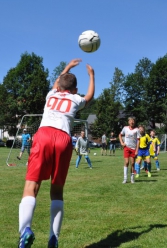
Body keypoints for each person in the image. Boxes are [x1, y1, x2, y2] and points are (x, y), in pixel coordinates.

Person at [17, 59, 95, 248]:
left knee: (31, 186)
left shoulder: (51, 95)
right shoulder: (76, 99)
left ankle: (25, 230)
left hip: (43, 135)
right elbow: (89, 97)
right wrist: (91, 75)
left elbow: (57, 82)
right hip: (63, 139)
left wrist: (67, 67)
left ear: (59, 86)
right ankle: (54, 237)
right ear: (75, 90)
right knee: (57, 190)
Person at [119, 117, 139, 184]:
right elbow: (120, 135)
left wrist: (137, 150)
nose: (132, 122)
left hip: (133, 148)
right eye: (130, 121)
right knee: (126, 162)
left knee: (132, 163)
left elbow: (138, 140)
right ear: (128, 122)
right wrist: (122, 143)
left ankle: (132, 178)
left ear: (134, 122)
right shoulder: (125, 128)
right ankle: (125, 178)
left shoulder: (137, 130)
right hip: (126, 147)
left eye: (133, 121)